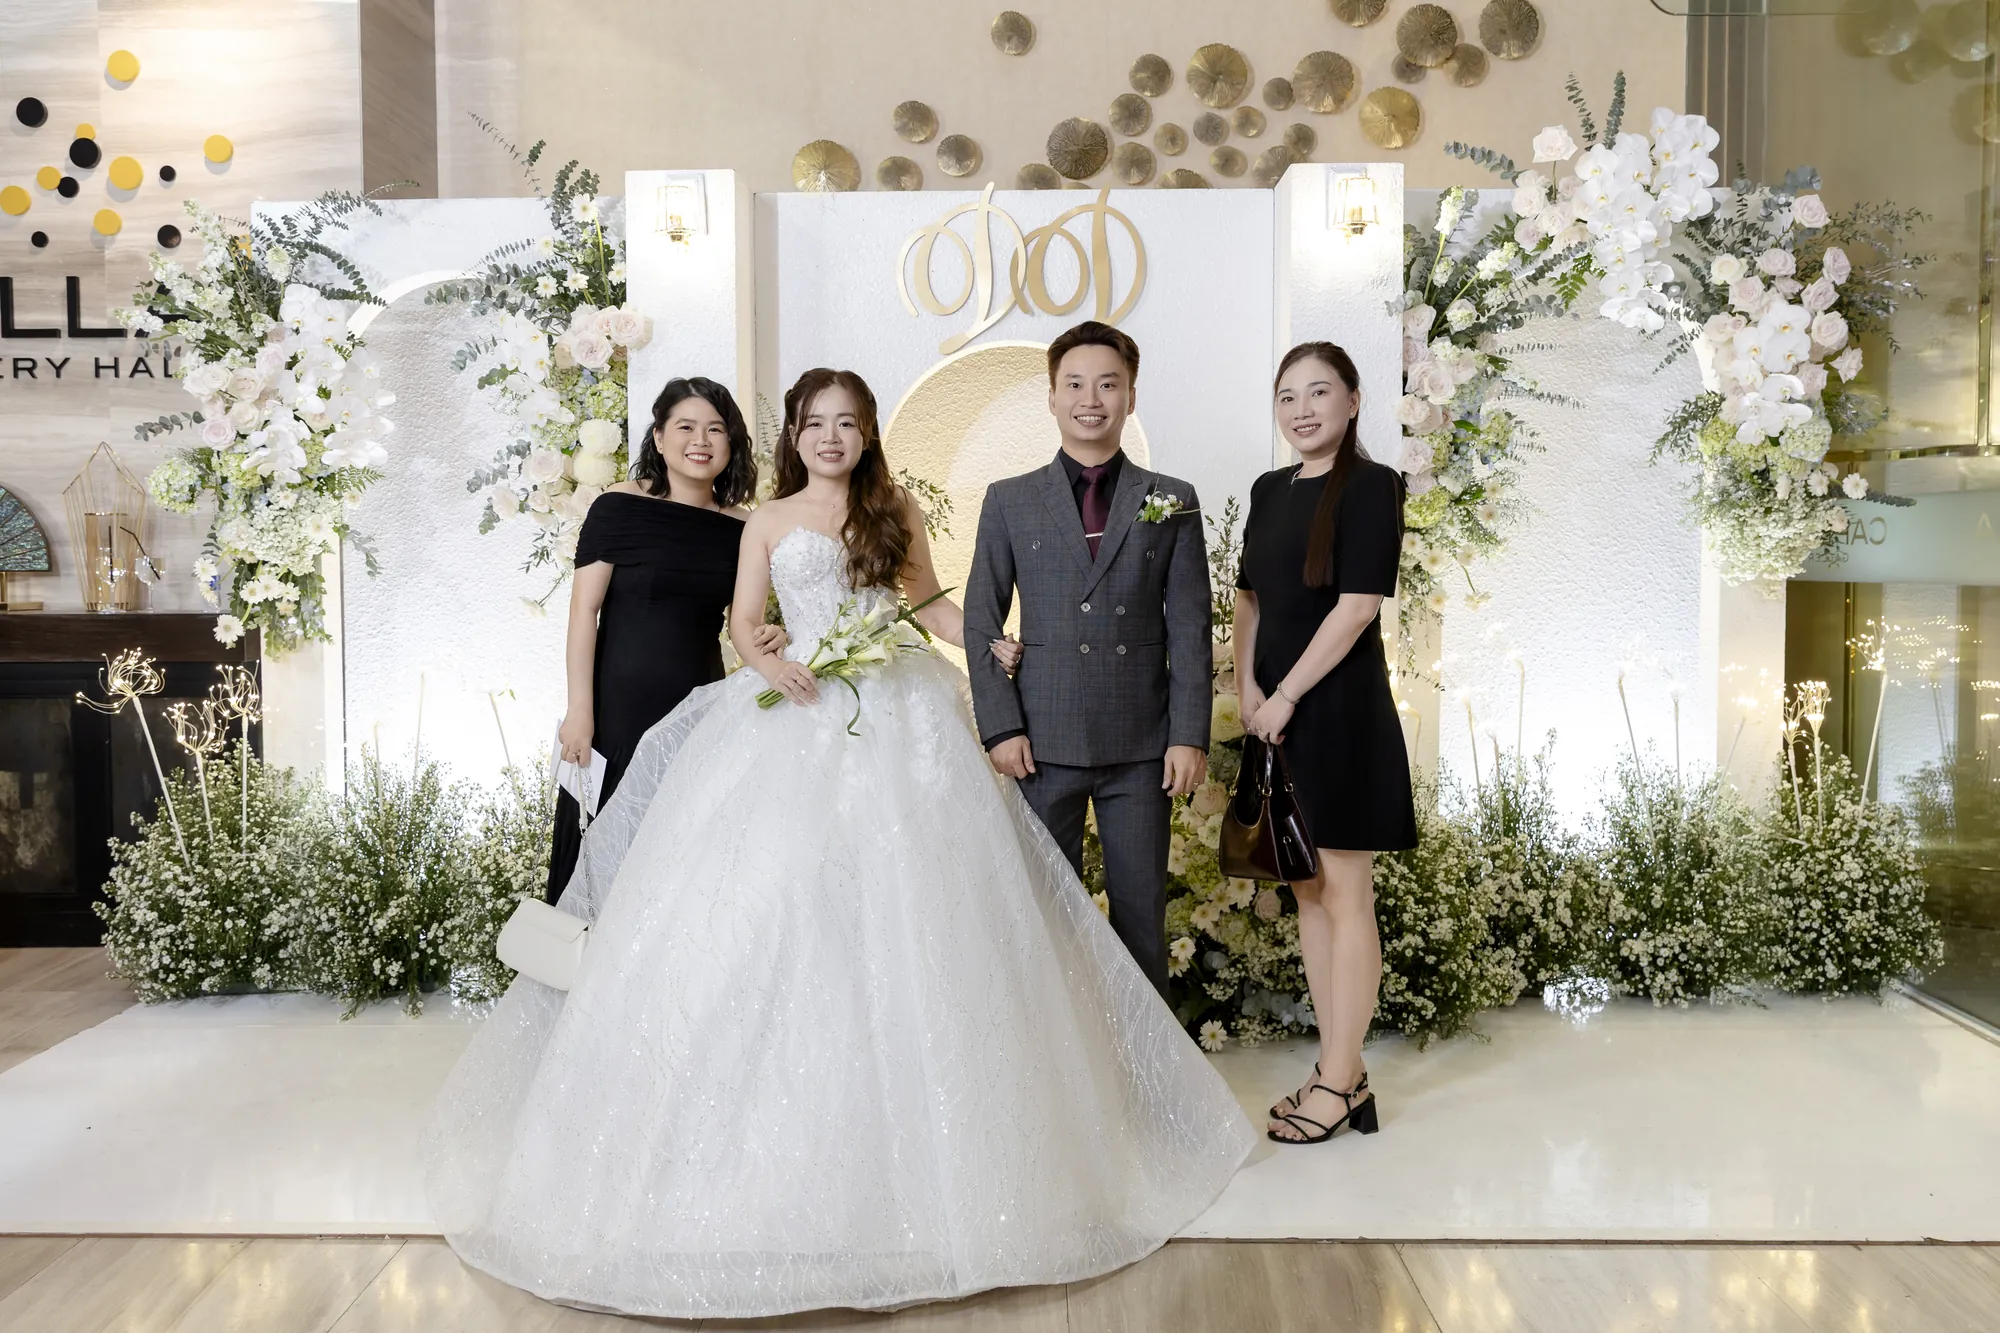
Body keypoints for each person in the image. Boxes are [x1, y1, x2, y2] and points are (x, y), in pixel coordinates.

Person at [423, 367, 1253, 1321]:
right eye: (814, 423)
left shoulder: (893, 509)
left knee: (924, 915)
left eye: (846, 423)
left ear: (866, 435)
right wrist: (771, 661)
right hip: (796, 711)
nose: (830, 437)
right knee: (773, 908)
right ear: (794, 436)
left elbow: (930, 603)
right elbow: (744, 624)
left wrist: (993, 642)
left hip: (901, 713)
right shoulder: (767, 523)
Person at [963, 321, 1212, 998]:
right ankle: (1057, 1057)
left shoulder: (1171, 497)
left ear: (1131, 396)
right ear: (1051, 397)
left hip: (1142, 744)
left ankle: (1147, 1062)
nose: (1090, 399)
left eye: (1108, 384)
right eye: (1074, 384)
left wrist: (1189, 734)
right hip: (1041, 742)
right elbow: (981, 618)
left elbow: (1190, 626)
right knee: (1045, 918)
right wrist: (1001, 726)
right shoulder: (1010, 499)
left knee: (1141, 919)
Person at [1235, 341, 1416, 1146]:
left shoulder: (1373, 486)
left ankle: (1340, 1082)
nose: (1302, 409)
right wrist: (1248, 684)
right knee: (1308, 890)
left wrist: (1286, 694)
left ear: (1353, 400)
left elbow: (1357, 606)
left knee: (1346, 893)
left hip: (1338, 714)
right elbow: (1248, 598)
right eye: (1288, 396)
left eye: (1318, 392)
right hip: (1276, 714)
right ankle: (1338, 1068)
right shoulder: (1268, 490)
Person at [545, 377, 780, 903]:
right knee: (599, 861)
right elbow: (583, 611)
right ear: (658, 436)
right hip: (614, 714)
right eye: (686, 427)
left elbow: (746, 621)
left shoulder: (744, 527)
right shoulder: (617, 507)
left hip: (698, 713)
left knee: (678, 867)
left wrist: (774, 633)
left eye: (715, 429)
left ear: (731, 442)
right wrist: (579, 711)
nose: (701, 440)